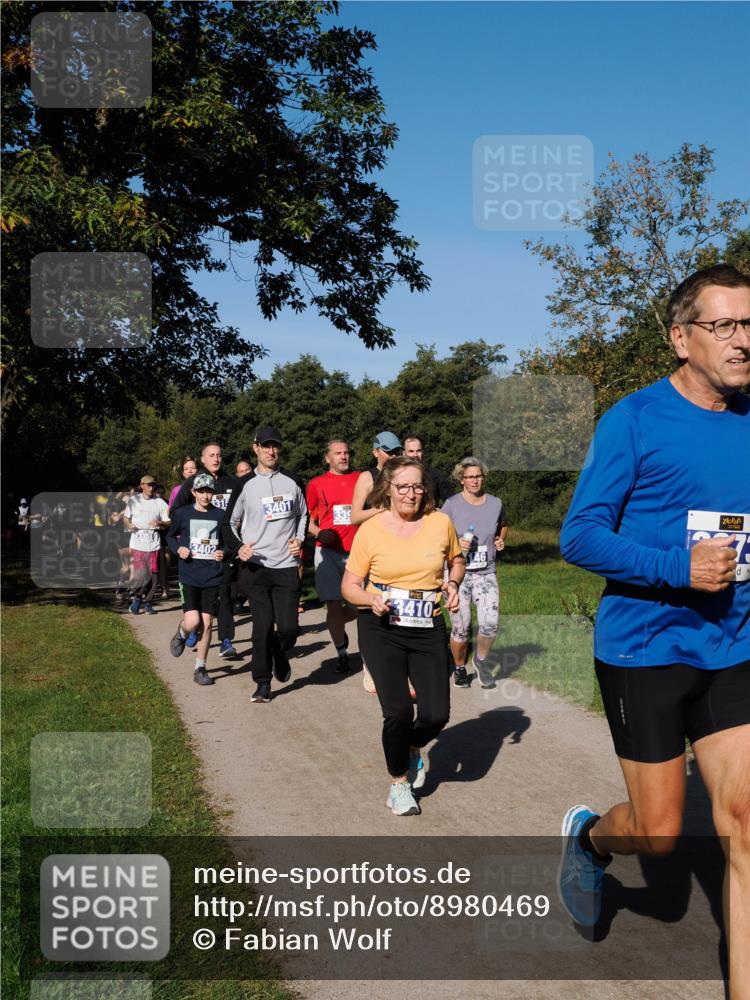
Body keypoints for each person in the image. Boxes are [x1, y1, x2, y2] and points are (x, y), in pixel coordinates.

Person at [556, 265, 750, 997]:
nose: (743, 340)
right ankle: (590, 838)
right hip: (646, 647)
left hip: (735, 645)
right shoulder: (634, 420)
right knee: (660, 832)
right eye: (724, 325)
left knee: (746, 823)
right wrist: (678, 567)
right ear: (681, 337)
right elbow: (580, 537)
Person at [341, 457, 465, 816]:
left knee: (436, 715)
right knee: (396, 711)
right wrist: (369, 598)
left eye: (417, 486)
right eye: (403, 487)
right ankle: (398, 784)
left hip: (428, 627)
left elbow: (457, 559)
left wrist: (453, 583)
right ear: (389, 490)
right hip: (381, 627)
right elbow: (348, 586)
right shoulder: (372, 529)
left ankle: (410, 746)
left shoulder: (440, 523)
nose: (411, 494)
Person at [229, 425, 307, 703]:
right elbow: (229, 523)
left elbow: (303, 515)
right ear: (256, 448)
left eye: (275, 446)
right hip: (256, 568)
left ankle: (278, 649)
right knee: (261, 627)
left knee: (288, 629)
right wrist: (239, 547)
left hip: (286, 565)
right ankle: (262, 682)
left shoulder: (293, 480)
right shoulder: (243, 484)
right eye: (265, 446)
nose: (271, 451)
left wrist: (299, 539)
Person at [442, 457, 508, 689]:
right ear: (462, 479)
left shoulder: (495, 503)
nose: (475, 480)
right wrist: (456, 544)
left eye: (478, 476)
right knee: (461, 627)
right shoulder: (451, 505)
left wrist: (500, 540)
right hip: (457, 573)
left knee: (490, 623)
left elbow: (503, 524)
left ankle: (480, 662)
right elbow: (437, 535)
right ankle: (460, 668)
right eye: (470, 477)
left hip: (486, 572)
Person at [172, 442, 239, 658]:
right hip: (195, 556)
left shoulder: (232, 483)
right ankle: (190, 631)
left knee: (225, 594)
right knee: (196, 615)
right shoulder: (193, 482)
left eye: (219, 455)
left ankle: (226, 640)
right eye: (211, 455)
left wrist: (231, 544)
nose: (216, 459)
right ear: (203, 459)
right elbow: (176, 512)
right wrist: (185, 542)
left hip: (222, 549)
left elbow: (242, 513)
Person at [167, 473, 226, 686]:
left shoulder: (220, 515)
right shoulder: (183, 514)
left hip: (212, 575)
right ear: (193, 493)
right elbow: (169, 537)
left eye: (209, 491)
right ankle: (182, 632)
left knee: (207, 623)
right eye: (201, 491)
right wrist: (178, 548)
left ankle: (200, 668)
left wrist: (224, 553)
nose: (205, 495)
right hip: (190, 574)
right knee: (193, 622)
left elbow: (229, 541)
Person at [306, 438, 360, 672]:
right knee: (333, 605)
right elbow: (307, 521)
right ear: (327, 458)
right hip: (327, 552)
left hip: (357, 553)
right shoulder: (317, 484)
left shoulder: (361, 479)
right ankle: (341, 652)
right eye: (337, 453)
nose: (343, 456)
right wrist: (320, 533)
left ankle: (335, 625)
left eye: (346, 452)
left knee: (360, 606)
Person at [123, 475, 170, 614]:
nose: (151, 487)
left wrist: (160, 523)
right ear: (141, 485)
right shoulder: (133, 500)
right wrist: (129, 524)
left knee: (153, 575)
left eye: (153, 485)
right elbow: (126, 517)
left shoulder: (160, 502)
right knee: (141, 573)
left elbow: (169, 522)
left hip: (154, 542)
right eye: (148, 485)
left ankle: (148, 602)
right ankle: (137, 600)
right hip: (138, 542)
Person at [350, 431, 403, 526]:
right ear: (375, 453)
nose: (393, 455)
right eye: (389, 451)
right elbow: (354, 518)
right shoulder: (367, 477)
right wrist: (382, 508)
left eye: (396, 451)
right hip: (375, 537)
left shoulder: (404, 474)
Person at [403, 434, 453, 506]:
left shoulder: (436, 475)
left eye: (418, 451)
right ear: (404, 453)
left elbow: (452, 502)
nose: (415, 455)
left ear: (422, 452)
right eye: (411, 451)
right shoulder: (397, 475)